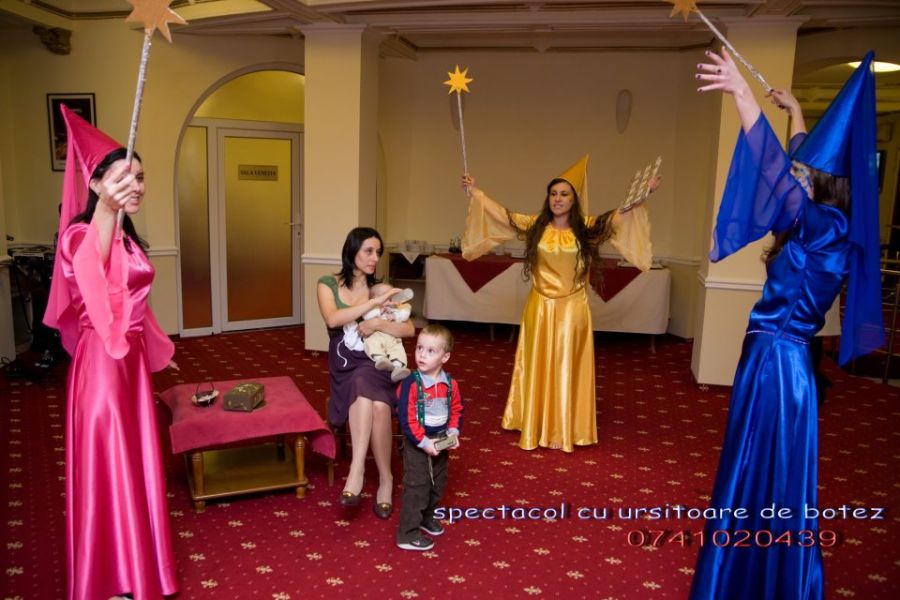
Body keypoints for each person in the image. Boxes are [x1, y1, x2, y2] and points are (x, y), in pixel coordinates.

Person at [690, 49, 883, 599]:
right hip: (775, 359)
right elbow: (794, 161)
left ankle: (752, 579)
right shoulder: (828, 224)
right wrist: (795, 110)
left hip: (777, 361)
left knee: (762, 468)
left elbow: (778, 173)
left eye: (806, 173)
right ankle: (752, 572)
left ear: (822, 183)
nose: (796, 175)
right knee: (764, 468)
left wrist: (743, 97)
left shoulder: (826, 228)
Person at [43, 106, 179, 599]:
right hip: (102, 366)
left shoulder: (126, 235)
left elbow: (134, 302)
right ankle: (111, 581)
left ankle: (137, 569)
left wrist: (156, 347)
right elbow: (94, 280)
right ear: (96, 183)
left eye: (139, 177)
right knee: (111, 462)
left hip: (131, 366)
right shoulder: (81, 234)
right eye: (123, 178)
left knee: (134, 462)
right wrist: (105, 208)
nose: (135, 186)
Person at [460, 155, 657, 452]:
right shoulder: (535, 225)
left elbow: (619, 216)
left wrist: (645, 193)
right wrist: (476, 192)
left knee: (566, 366)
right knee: (536, 364)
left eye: (564, 194)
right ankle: (534, 420)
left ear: (574, 199)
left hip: (572, 308)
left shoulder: (587, 228)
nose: (558, 199)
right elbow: (502, 215)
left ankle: (562, 428)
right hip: (539, 307)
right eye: (553, 193)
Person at [317, 227, 415, 518]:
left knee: (366, 387)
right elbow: (333, 319)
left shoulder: (382, 287)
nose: (375, 258)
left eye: (378, 253)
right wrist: (372, 304)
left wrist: (378, 324)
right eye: (369, 251)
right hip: (344, 360)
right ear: (352, 251)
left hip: (376, 359)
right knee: (378, 407)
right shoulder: (328, 284)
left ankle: (358, 470)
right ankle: (385, 478)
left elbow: (409, 329)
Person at [395, 324, 463, 551]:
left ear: (445, 357)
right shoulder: (411, 383)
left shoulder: (450, 384)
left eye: (431, 351)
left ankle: (427, 518)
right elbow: (406, 419)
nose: (422, 355)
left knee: (438, 482)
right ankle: (407, 534)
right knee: (417, 486)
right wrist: (424, 443)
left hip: (441, 438)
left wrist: (453, 432)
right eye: (419, 348)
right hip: (418, 441)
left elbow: (456, 410)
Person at [342, 285, 414, 382]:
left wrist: (396, 315)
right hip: (376, 335)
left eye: (391, 296)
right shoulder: (373, 309)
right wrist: (379, 311)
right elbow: (367, 316)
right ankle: (381, 359)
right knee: (372, 343)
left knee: (398, 348)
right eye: (385, 296)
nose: (390, 300)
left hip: (392, 337)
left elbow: (406, 319)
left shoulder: (395, 308)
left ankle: (399, 368)